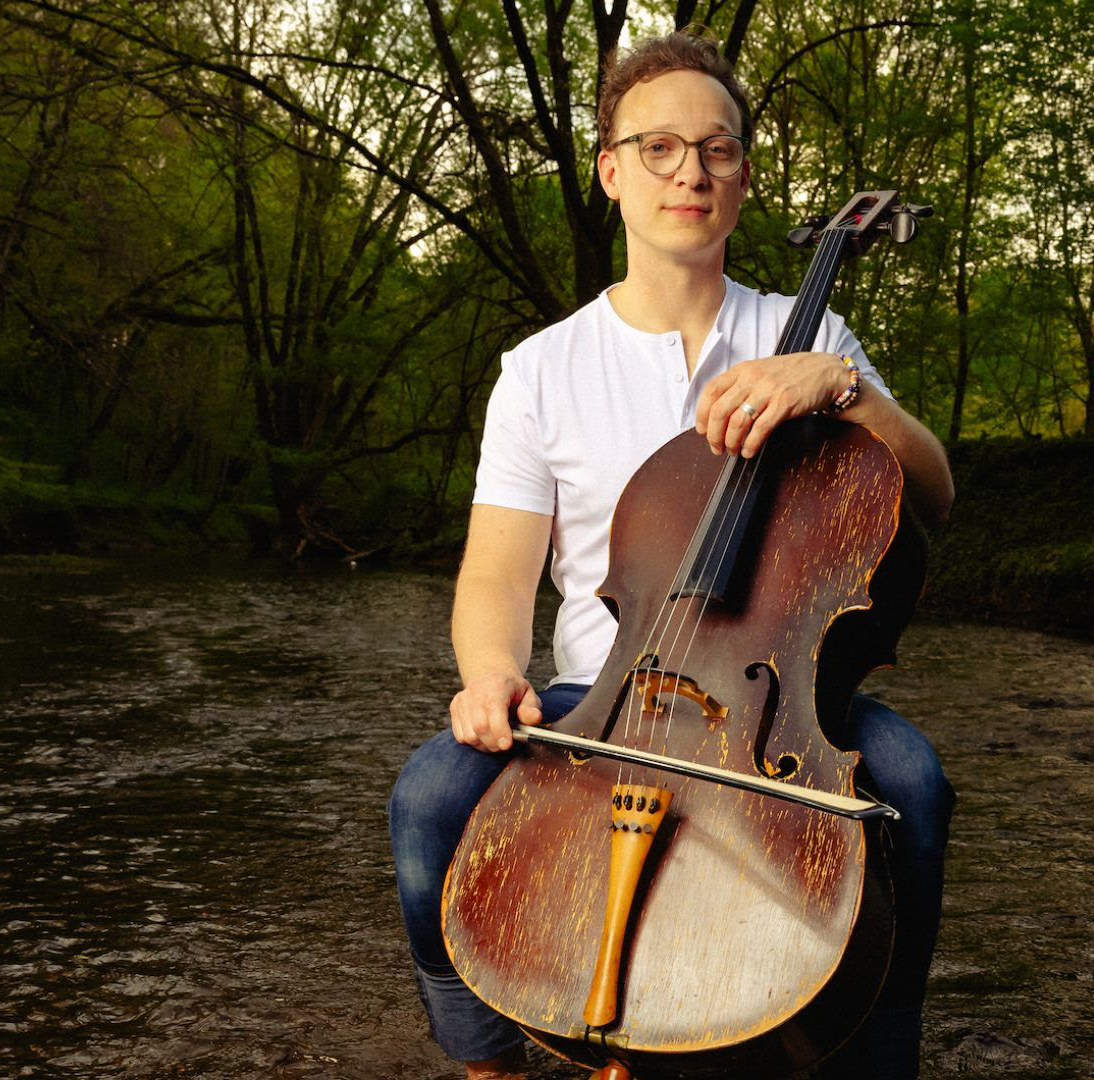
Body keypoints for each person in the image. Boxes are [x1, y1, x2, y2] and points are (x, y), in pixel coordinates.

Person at [388, 29, 955, 1080]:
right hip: (597, 700)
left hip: (781, 702)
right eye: (658, 148)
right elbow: (497, 576)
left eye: (718, 148)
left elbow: (932, 491)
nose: (690, 170)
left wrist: (845, 391)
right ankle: (488, 1062)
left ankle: (875, 1057)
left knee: (913, 783)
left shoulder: (807, 332)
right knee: (427, 799)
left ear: (742, 176)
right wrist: (486, 677)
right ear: (611, 171)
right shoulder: (541, 370)